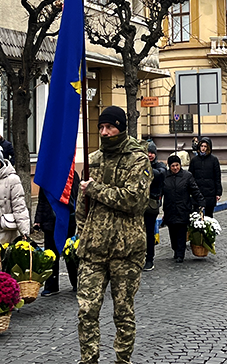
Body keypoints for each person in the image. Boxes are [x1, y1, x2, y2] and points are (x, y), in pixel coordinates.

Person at [76, 106, 151, 364]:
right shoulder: (93, 159)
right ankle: (89, 359)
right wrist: (83, 233)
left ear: (121, 127)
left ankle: (123, 360)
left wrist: (96, 189)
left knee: (123, 312)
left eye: (110, 127)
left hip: (126, 251)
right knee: (86, 311)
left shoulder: (138, 160)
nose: (105, 132)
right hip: (93, 251)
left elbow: (134, 200)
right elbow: (81, 206)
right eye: (101, 128)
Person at [34, 165, 80, 292]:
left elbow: (77, 196)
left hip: (67, 220)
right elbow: (42, 200)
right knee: (51, 254)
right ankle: (51, 286)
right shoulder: (46, 177)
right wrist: (38, 220)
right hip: (49, 220)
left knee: (69, 253)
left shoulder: (72, 175)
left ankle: (76, 282)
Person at [0, 146, 31, 245]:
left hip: (6, 230)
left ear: (1, 161)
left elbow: (19, 206)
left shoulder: (12, 180)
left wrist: (24, 231)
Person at [160, 154, 203, 263]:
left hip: (183, 208)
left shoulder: (187, 176)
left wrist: (201, 202)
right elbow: (160, 192)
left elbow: (194, 190)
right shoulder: (164, 176)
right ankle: (175, 249)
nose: (175, 168)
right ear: (169, 166)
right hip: (169, 208)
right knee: (172, 233)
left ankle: (180, 253)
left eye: (177, 165)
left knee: (181, 232)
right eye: (173, 166)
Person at [143, 143, 165, 272]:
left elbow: (160, 174)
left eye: (152, 153)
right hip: (138, 204)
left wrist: (146, 169)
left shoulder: (160, 166)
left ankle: (149, 258)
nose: (150, 155)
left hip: (151, 205)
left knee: (149, 232)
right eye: (148, 152)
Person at [188, 138, 222, 217]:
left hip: (210, 191)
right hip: (197, 192)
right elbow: (190, 176)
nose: (203, 148)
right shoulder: (194, 160)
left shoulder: (213, 160)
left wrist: (218, 192)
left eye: (205, 146)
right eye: (201, 146)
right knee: (196, 215)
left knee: (209, 216)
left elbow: (217, 177)